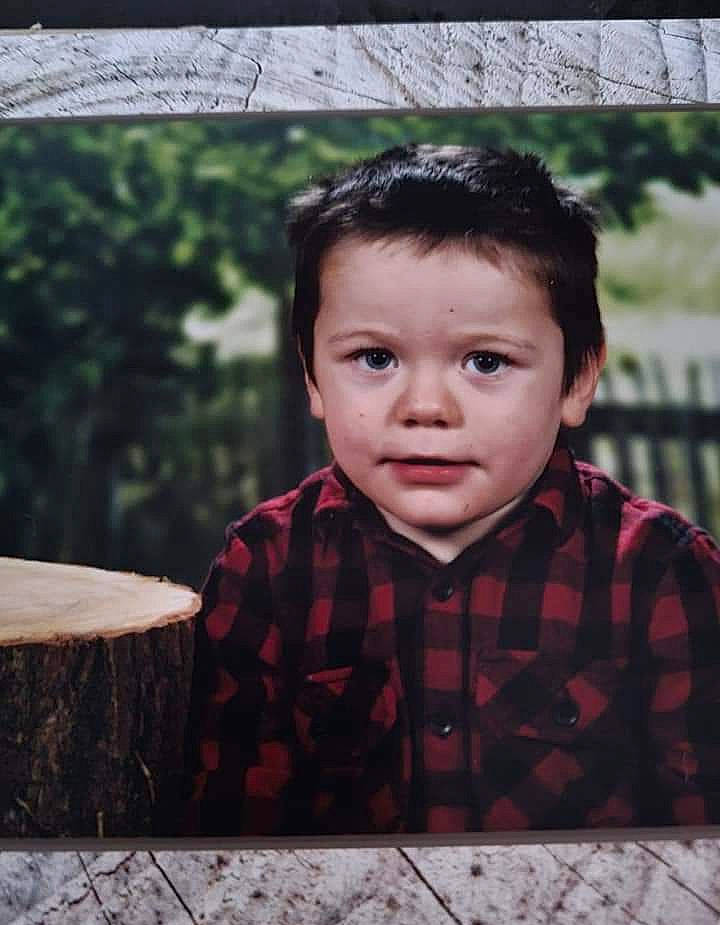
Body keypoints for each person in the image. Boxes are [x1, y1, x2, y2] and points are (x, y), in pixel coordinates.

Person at [182, 143, 720, 835]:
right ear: (313, 376)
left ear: (578, 378)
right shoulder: (266, 568)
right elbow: (227, 842)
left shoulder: (658, 572)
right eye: (374, 358)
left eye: (486, 361)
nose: (426, 406)